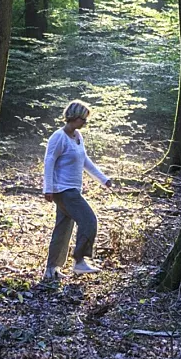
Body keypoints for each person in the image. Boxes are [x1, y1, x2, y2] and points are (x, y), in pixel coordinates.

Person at [42, 100, 112, 279]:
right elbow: (49, 161)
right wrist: (48, 189)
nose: (85, 123)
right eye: (83, 119)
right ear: (73, 117)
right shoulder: (59, 137)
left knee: (63, 228)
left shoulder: (78, 136)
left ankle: (51, 270)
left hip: (73, 189)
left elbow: (85, 161)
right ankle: (79, 261)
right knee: (89, 221)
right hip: (63, 190)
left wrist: (103, 179)